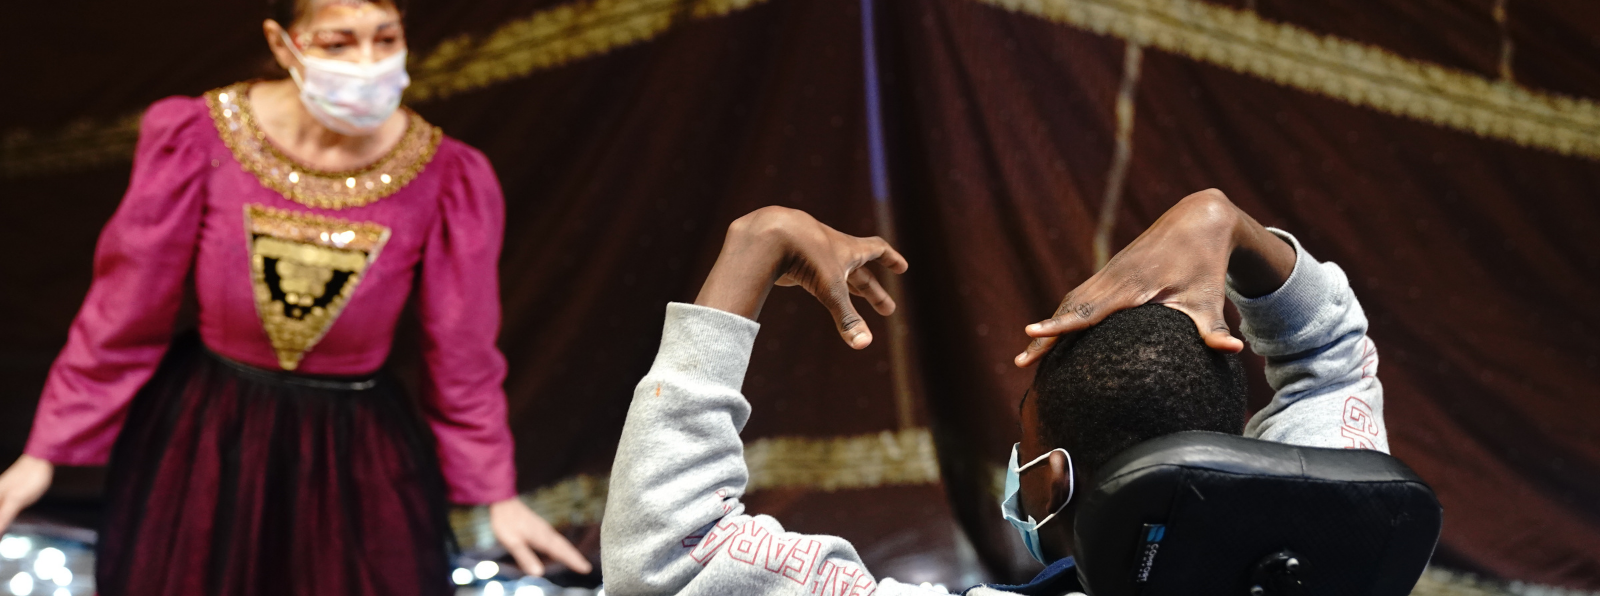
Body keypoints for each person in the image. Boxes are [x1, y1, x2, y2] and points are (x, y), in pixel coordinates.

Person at [0, 1, 589, 594]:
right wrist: (43, 455)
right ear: (284, 45)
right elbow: (123, 312)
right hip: (205, 442)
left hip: (352, 449)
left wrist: (495, 493)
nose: (368, 61)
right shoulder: (198, 136)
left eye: (386, 39)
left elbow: (462, 355)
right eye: (338, 43)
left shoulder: (447, 176)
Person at [598, 190, 1387, 595]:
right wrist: (1229, 225)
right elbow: (1332, 357)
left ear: (1047, 482)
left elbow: (669, 559)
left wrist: (758, 239)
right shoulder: (1334, 565)